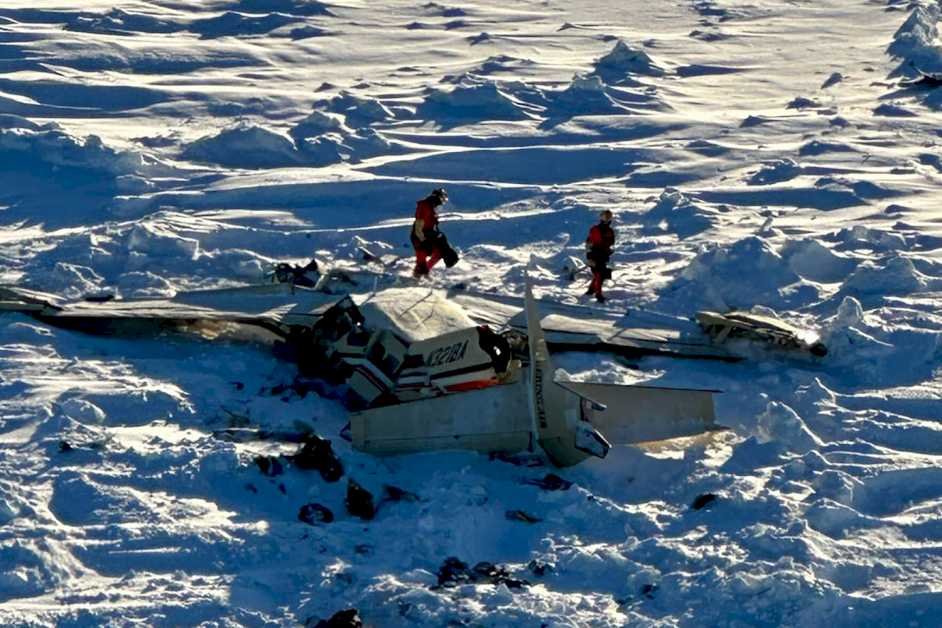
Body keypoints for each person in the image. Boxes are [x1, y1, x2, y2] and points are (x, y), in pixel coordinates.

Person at [411, 188, 457, 277]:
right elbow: (418, 225)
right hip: (419, 236)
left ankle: (424, 272)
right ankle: (418, 274)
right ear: (437, 197)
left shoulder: (432, 208)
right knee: (422, 257)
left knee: (440, 252)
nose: (443, 202)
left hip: (428, 235)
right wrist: (422, 239)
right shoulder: (424, 206)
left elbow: (432, 225)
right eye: (442, 199)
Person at [585, 210, 615, 302]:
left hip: (603, 255)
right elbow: (591, 243)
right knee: (599, 274)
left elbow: (611, 243)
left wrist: (609, 250)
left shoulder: (609, 230)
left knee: (599, 274)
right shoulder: (596, 229)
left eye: (609, 217)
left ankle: (591, 290)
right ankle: (598, 294)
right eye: (606, 217)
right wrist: (590, 255)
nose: (607, 219)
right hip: (595, 254)